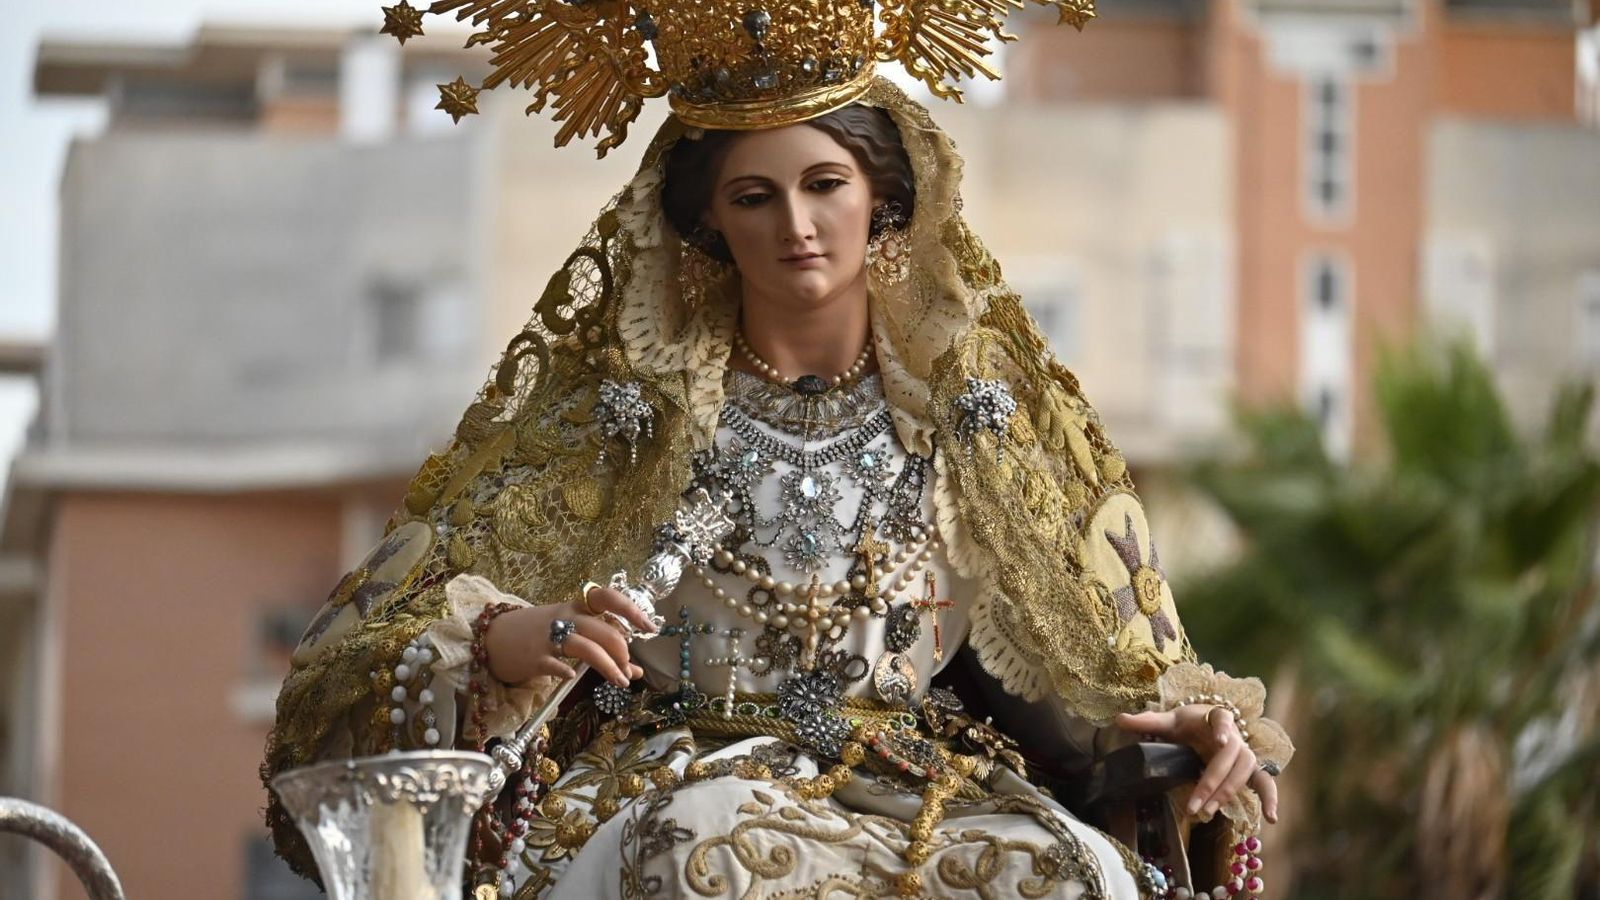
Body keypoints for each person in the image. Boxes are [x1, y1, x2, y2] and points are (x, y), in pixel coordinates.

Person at [262, 1, 1293, 897]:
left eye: (824, 185)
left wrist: (1182, 730)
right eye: (755, 197)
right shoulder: (623, 422)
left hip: (925, 783)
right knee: (704, 856)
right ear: (709, 222)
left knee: (1066, 870)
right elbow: (364, 656)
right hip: (682, 779)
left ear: (882, 197)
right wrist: (510, 636)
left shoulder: (974, 425)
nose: (797, 224)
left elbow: (1085, 681)